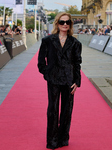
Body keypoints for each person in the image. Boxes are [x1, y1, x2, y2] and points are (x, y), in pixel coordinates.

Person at [37, 12, 82, 150]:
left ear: (70, 24)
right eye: (62, 22)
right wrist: (47, 74)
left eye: (68, 22)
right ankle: (52, 141)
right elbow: (40, 62)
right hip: (54, 80)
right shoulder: (48, 41)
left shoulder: (75, 43)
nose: (65, 24)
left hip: (69, 81)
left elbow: (77, 63)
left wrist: (77, 82)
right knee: (53, 109)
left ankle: (63, 138)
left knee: (67, 111)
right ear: (57, 23)